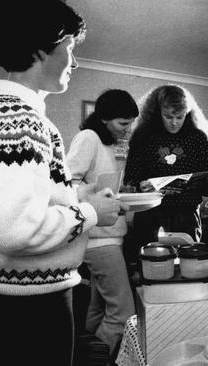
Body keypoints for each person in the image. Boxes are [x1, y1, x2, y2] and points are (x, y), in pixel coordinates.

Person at [0, 1, 121, 365]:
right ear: (41, 50)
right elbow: (17, 229)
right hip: (28, 306)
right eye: (70, 49)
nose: (74, 63)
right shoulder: (21, 120)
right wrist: (92, 213)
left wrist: (79, 195)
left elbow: (16, 202)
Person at [66, 89, 138, 358]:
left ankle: (83, 353)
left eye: (131, 123)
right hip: (99, 240)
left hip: (109, 236)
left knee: (99, 309)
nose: (128, 129)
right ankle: (94, 361)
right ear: (104, 118)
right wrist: (94, 192)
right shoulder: (88, 138)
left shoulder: (109, 143)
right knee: (122, 313)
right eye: (123, 123)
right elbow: (66, 185)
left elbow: (104, 189)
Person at [123, 85, 208, 260]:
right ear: (157, 112)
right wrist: (139, 185)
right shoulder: (142, 136)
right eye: (168, 116)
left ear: (188, 113)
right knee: (151, 269)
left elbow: (207, 190)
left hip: (186, 217)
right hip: (150, 216)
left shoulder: (198, 138)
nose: (174, 122)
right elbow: (130, 179)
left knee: (188, 268)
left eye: (180, 116)